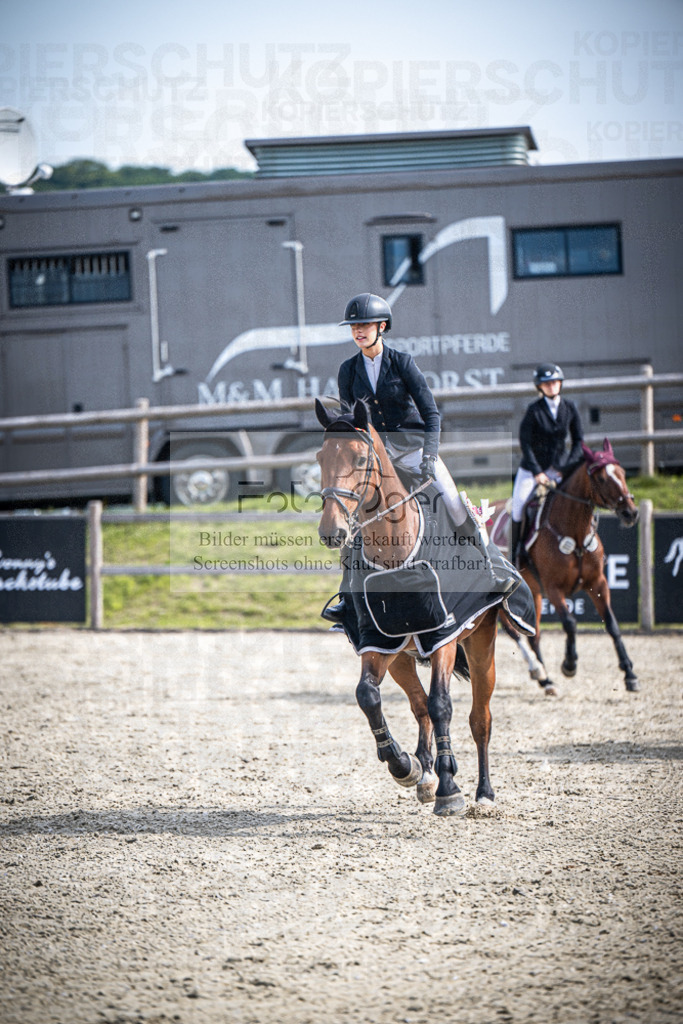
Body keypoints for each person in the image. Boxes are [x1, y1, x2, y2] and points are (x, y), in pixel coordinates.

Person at [322, 293, 517, 624]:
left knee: (455, 505)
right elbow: (351, 424)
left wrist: (429, 455)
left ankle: (492, 569)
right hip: (376, 460)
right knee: (351, 518)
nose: (359, 331)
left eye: (365, 325)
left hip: (413, 451)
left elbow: (431, 413)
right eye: (354, 326)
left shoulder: (402, 363)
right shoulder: (347, 370)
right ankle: (347, 598)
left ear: (382, 327)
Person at [510, 362, 585, 563]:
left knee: (580, 499)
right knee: (518, 507)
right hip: (532, 470)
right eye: (547, 384)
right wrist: (537, 473)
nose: (552, 386)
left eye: (555, 383)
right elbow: (525, 444)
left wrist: (566, 469)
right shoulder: (533, 410)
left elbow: (578, 440)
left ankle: (584, 546)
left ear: (560, 384)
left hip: (559, 468)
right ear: (540, 387)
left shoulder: (569, 408)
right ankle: (516, 553)